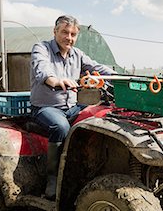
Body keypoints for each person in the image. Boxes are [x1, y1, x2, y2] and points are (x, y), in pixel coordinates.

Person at [30, 15, 115, 199]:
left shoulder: (77, 54)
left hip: (72, 107)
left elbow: (97, 67)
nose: (69, 37)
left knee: (99, 114)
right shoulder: (41, 48)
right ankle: (53, 179)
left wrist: (121, 78)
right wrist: (56, 80)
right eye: (65, 32)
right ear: (55, 32)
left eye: (73, 34)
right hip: (46, 107)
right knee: (60, 127)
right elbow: (42, 69)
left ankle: (88, 167)